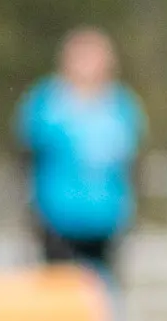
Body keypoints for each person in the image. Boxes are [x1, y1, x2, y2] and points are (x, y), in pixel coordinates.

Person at [15, 27, 147, 289]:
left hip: (106, 219)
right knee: (59, 295)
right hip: (56, 218)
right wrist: (29, 211)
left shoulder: (122, 105)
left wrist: (134, 210)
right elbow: (25, 157)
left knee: (102, 295)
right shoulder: (47, 102)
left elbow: (134, 164)